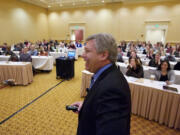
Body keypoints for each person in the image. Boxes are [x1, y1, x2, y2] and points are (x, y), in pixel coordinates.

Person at [71, 33, 131, 135]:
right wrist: (87, 106)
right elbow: (100, 101)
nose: (83, 55)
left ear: (103, 55)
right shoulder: (104, 75)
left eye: (87, 51)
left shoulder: (112, 90)